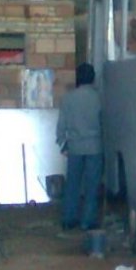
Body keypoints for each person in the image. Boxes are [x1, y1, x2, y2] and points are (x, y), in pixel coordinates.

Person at [56, 62, 103, 232]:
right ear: (93, 78)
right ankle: (88, 221)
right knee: (92, 185)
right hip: (95, 147)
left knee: (73, 184)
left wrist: (62, 143)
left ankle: (69, 219)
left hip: (75, 147)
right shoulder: (99, 98)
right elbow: (104, 123)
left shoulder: (68, 98)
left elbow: (62, 124)